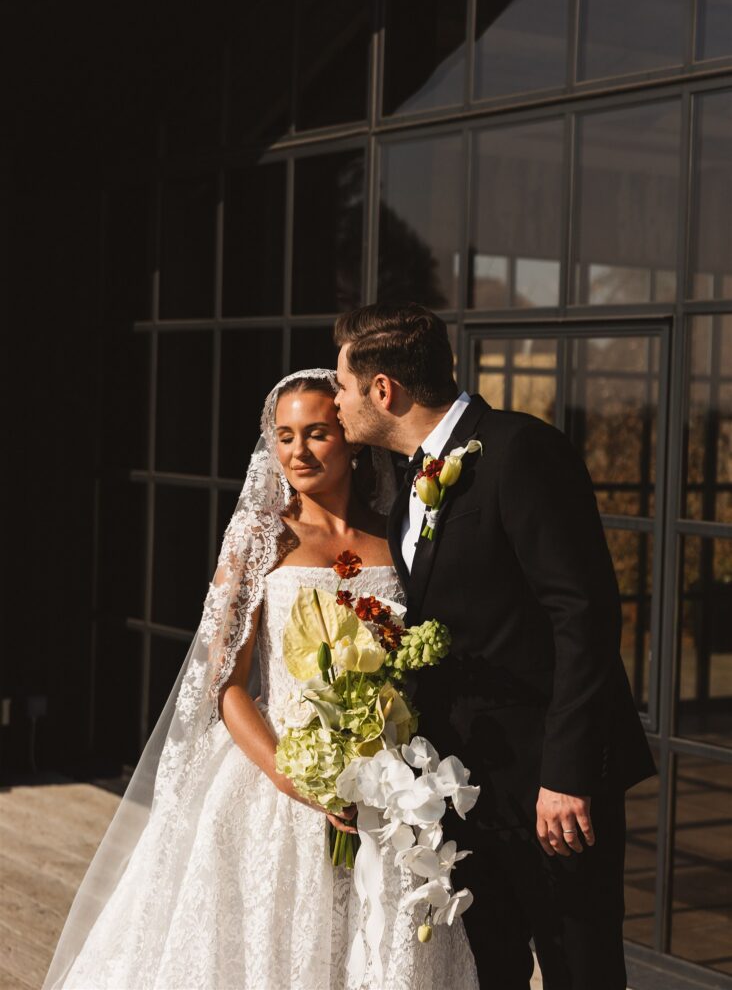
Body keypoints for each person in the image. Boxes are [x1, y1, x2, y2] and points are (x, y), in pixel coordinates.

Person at [42, 368, 479, 990]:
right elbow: (226, 685)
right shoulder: (259, 537)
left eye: (318, 433)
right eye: (285, 436)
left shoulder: (397, 534)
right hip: (277, 780)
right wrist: (299, 780)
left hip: (384, 783)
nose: (298, 451)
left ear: (353, 439)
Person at [333, 303, 657, 990]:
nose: (337, 404)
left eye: (342, 387)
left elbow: (585, 615)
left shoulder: (518, 450)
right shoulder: (405, 484)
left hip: (553, 788)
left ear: (383, 390)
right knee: (493, 967)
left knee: (580, 970)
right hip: (466, 783)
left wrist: (566, 775)